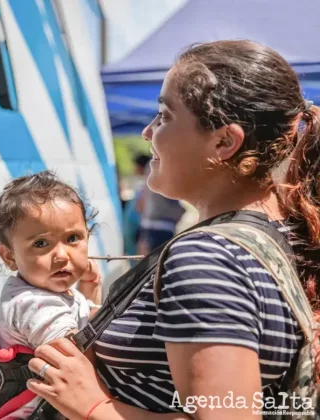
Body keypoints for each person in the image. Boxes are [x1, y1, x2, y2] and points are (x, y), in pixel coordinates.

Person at [24, 40, 320, 419]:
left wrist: (93, 406)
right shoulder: (273, 239)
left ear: (225, 141)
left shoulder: (207, 257)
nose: (148, 132)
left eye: (164, 116)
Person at [0, 170, 102, 419]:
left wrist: (90, 289)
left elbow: (81, 321)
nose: (62, 255)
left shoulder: (44, 291)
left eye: (73, 238)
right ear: (9, 256)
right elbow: (76, 354)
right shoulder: (32, 304)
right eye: (41, 243)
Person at [122, 154, 151, 258]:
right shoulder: (142, 183)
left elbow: (141, 207)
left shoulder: (148, 184)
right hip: (132, 227)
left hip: (137, 227)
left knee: (137, 256)